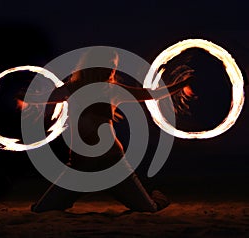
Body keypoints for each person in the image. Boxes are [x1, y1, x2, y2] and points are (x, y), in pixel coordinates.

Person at [18, 50, 194, 213]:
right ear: (94, 64)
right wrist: (24, 97)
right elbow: (44, 99)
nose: (113, 70)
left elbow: (151, 94)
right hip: (79, 166)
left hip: (113, 164)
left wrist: (181, 84)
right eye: (109, 64)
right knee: (41, 210)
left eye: (115, 66)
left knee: (149, 209)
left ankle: (157, 197)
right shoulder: (71, 88)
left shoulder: (114, 91)